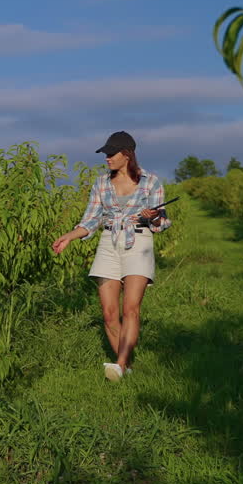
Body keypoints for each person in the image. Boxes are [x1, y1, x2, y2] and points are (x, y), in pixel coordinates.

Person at [51, 131, 171, 381]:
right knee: (108, 313)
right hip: (108, 242)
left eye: (111, 153)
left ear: (127, 155)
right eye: (105, 154)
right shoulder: (101, 184)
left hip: (139, 242)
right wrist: (69, 237)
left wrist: (153, 217)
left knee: (131, 309)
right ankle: (125, 367)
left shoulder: (151, 182)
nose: (107, 158)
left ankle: (120, 364)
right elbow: (91, 220)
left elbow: (162, 223)